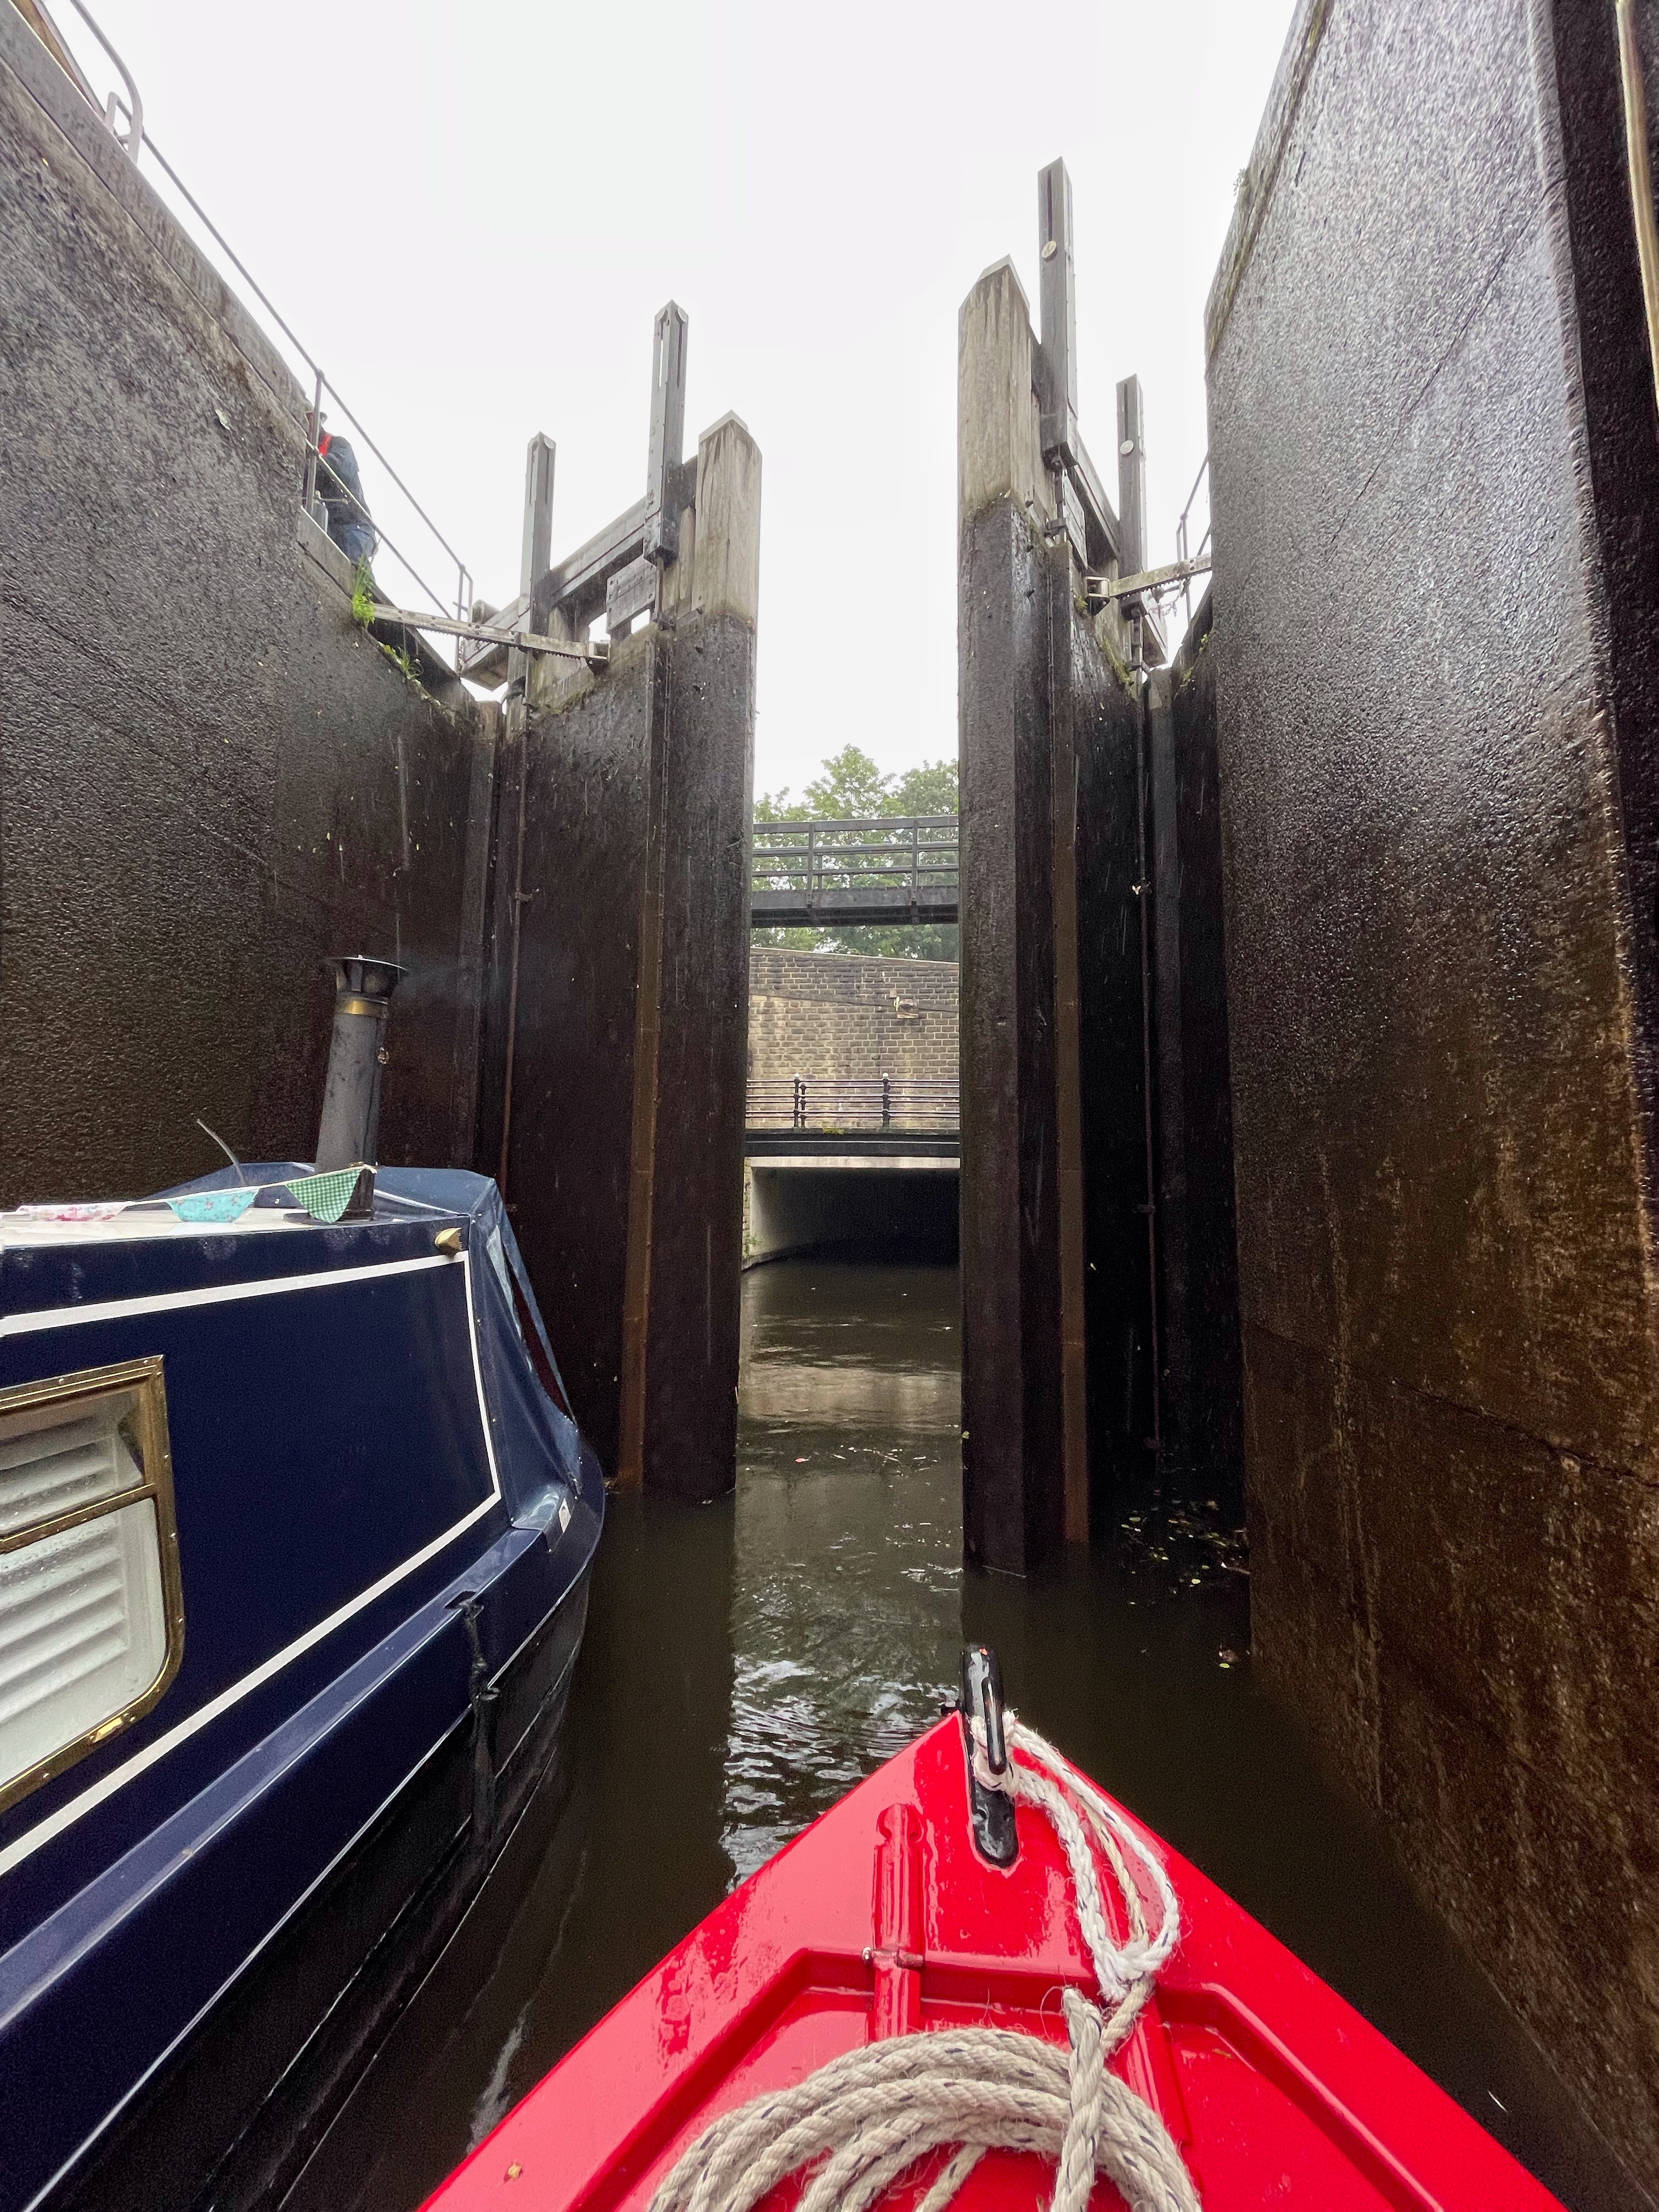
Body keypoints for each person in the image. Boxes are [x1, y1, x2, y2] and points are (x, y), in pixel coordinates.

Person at [308, 416, 378, 568]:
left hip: (356, 525)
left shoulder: (338, 444)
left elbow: (341, 467)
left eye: (309, 418)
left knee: (354, 567)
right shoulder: (309, 450)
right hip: (332, 526)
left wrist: (312, 462)